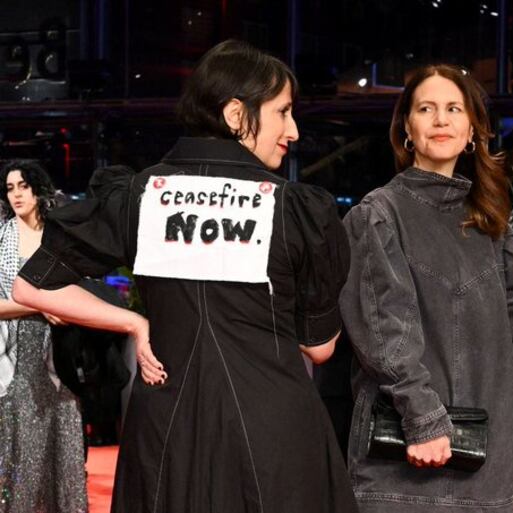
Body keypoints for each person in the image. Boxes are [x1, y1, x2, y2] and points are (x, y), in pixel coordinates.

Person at [12, 40, 358, 513]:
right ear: (237, 114)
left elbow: (31, 285)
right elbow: (319, 347)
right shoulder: (293, 209)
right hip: (272, 430)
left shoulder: (141, 194)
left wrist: (134, 323)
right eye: (283, 113)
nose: (293, 130)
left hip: (167, 425)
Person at [340, 64, 513, 512]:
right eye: (426, 109)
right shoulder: (378, 214)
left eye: (453, 109)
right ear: (407, 128)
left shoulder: (495, 229)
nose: (441, 119)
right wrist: (424, 419)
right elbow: (384, 331)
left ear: (472, 131)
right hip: (404, 461)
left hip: (488, 468)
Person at [0, 161, 87, 513]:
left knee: (56, 448)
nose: (17, 194)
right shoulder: (1, 239)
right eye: (10, 188)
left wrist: (61, 308)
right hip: (10, 359)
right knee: (15, 452)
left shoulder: (59, 238)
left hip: (59, 357)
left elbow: (79, 292)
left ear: (38, 190)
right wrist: (38, 308)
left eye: (23, 185)